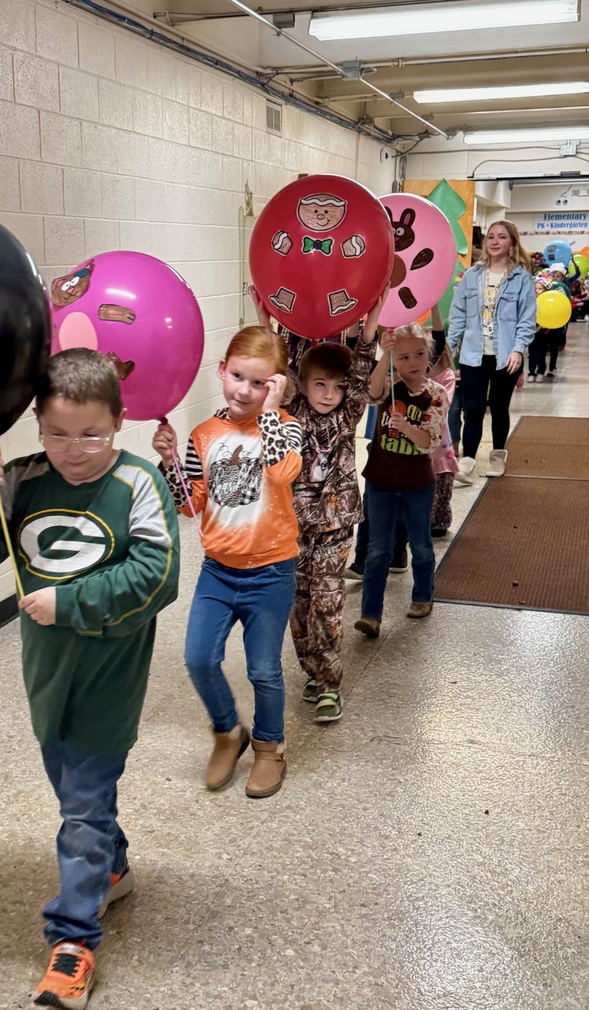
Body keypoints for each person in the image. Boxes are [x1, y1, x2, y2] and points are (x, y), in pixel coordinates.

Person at [0, 349, 180, 1010]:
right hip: (46, 677)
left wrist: (69, 602)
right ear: (38, 424)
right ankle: (114, 867)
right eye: (58, 433)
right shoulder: (23, 479)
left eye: (92, 434)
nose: (75, 451)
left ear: (120, 420)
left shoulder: (137, 484)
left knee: (81, 807)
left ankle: (73, 940)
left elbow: (157, 578)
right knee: (77, 792)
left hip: (109, 678)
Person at [152, 326, 301, 799]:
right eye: (238, 376)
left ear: (276, 385)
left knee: (264, 669)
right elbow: (189, 506)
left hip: (272, 571)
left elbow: (283, 472)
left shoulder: (287, 427)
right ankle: (227, 733)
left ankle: (269, 747)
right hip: (218, 571)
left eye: (260, 383)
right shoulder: (204, 434)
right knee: (198, 658)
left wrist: (272, 411)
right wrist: (169, 464)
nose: (244, 390)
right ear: (222, 370)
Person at [284, 291, 386, 723]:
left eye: (337, 387)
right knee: (299, 605)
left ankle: (329, 684)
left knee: (326, 603)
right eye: (320, 385)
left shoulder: (348, 415)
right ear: (303, 385)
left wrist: (372, 318)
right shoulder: (291, 412)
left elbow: (361, 366)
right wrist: (268, 320)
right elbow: (281, 365)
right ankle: (312, 669)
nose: (329, 394)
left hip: (335, 525)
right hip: (293, 527)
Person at [354, 324, 448, 638]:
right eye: (403, 357)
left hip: (417, 485)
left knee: (420, 544)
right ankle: (370, 614)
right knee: (377, 548)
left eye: (419, 354)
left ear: (428, 354)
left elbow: (429, 442)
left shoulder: (436, 394)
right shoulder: (389, 383)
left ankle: (422, 595)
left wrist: (406, 427)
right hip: (380, 480)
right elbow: (370, 394)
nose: (413, 362)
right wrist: (385, 355)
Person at [447, 219, 536, 482]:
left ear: (512, 243)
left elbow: (527, 319)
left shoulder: (521, 278)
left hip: (506, 355)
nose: (495, 241)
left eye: (502, 237)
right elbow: (458, 315)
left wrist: (518, 350)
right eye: (491, 237)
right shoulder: (472, 275)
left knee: (498, 406)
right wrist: (449, 348)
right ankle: (468, 460)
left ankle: (498, 455)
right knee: (472, 408)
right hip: (473, 353)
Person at [428, 342, 459, 535]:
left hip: (440, 444)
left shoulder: (447, 375)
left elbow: (442, 404)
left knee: (441, 485)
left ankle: (439, 522)